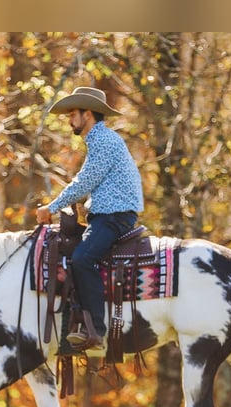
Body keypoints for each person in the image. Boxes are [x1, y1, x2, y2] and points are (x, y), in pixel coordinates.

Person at [36, 86, 144, 351]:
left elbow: (85, 182)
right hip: (108, 215)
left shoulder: (103, 141)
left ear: (88, 114)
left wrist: (51, 206)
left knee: (83, 259)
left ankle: (96, 330)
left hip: (113, 217)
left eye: (73, 113)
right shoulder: (100, 141)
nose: (69, 119)